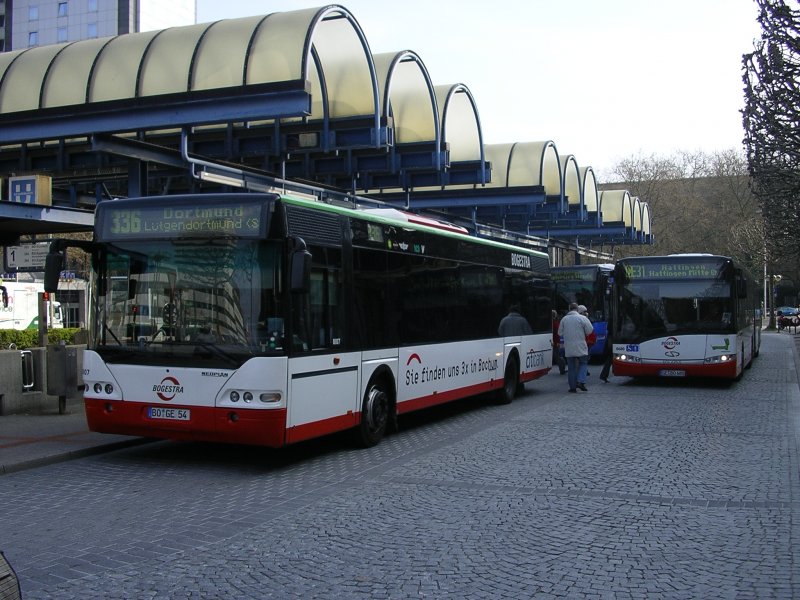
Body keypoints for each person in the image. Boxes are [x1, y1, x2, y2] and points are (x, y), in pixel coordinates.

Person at [558, 302, 593, 393]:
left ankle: (572, 387)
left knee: (571, 367)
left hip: (569, 347)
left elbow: (560, 333)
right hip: (581, 345)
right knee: (583, 363)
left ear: (569, 309)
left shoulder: (564, 319)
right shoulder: (582, 318)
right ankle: (581, 381)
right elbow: (590, 330)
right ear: (577, 309)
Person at [551, 310, 566, 374]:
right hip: (555, 342)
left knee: (557, 356)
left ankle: (562, 369)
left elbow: (557, 334)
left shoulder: (554, 323)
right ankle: (562, 369)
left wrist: (557, 342)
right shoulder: (556, 322)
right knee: (557, 356)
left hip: (554, 342)